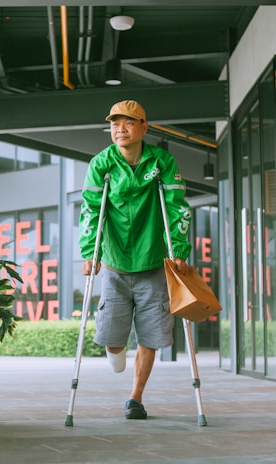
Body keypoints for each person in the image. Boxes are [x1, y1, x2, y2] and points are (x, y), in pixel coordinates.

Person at [79, 100, 191, 420]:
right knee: (112, 341)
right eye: (115, 124)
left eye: (128, 123)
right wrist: (91, 252)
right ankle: (116, 353)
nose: (120, 129)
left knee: (150, 334)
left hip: (153, 260)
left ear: (144, 127)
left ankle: (135, 396)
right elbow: (89, 210)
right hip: (115, 263)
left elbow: (177, 206)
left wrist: (178, 249)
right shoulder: (102, 163)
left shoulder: (162, 161)